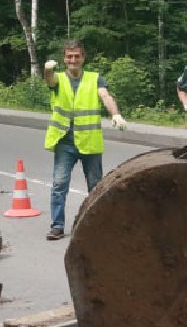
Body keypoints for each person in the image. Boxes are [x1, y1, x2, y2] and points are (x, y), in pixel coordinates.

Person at [42, 39, 127, 240]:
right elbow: (49, 80)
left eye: (77, 56)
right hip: (65, 141)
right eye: (69, 56)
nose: (73, 60)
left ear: (83, 58)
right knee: (59, 184)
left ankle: (97, 225)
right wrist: (47, 70)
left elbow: (105, 96)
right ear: (64, 59)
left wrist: (115, 114)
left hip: (89, 141)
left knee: (96, 187)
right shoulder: (59, 79)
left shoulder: (95, 78)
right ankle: (57, 227)